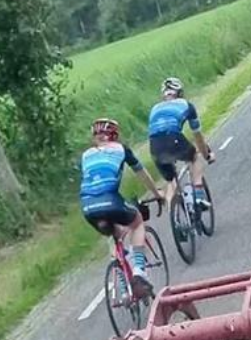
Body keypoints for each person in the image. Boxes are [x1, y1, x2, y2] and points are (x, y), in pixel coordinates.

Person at [79, 118, 164, 295]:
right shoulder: (121, 149)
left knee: (113, 235)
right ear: (115, 135)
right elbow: (142, 174)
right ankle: (139, 270)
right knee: (137, 222)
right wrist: (157, 194)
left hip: (88, 207)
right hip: (110, 200)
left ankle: (124, 289)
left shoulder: (86, 155)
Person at [148, 77, 214, 211]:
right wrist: (207, 155)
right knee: (194, 157)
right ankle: (199, 197)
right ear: (180, 93)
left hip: (154, 145)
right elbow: (198, 137)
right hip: (173, 138)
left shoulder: (155, 108)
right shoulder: (186, 105)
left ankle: (174, 217)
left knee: (171, 180)